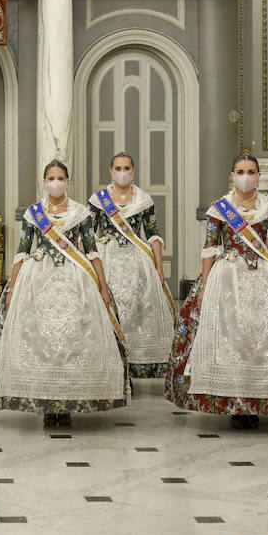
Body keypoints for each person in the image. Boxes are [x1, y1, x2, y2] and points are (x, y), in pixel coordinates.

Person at [166, 151, 268, 429]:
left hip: (266, 275)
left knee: (266, 335)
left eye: (251, 172)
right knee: (233, 336)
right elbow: (210, 249)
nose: (246, 177)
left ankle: (260, 398)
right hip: (228, 276)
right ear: (232, 175)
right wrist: (202, 288)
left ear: (259, 176)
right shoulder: (220, 208)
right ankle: (234, 401)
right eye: (241, 172)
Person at [0, 160, 126, 427]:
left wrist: (103, 287)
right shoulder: (34, 213)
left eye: (60, 177)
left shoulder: (81, 213)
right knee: (40, 339)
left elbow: (92, 252)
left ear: (68, 182)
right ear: (44, 181)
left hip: (76, 278)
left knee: (72, 339)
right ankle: (45, 402)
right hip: (37, 279)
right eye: (51, 177)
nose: (55, 182)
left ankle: (68, 401)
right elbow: (22, 251)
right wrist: (11, 288)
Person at [88, 152, 175, 378]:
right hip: (107, 261)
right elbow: (88, 237)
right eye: (118, 168)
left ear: (133, 171)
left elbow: (153, 235)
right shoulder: (99, 200)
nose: (122, 173)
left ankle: (135, 362)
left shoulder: (144, 200)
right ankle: (110, 359)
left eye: (126, 168)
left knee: (137, 311)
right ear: (110, 171)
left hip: (138, 261)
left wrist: (159, 267)